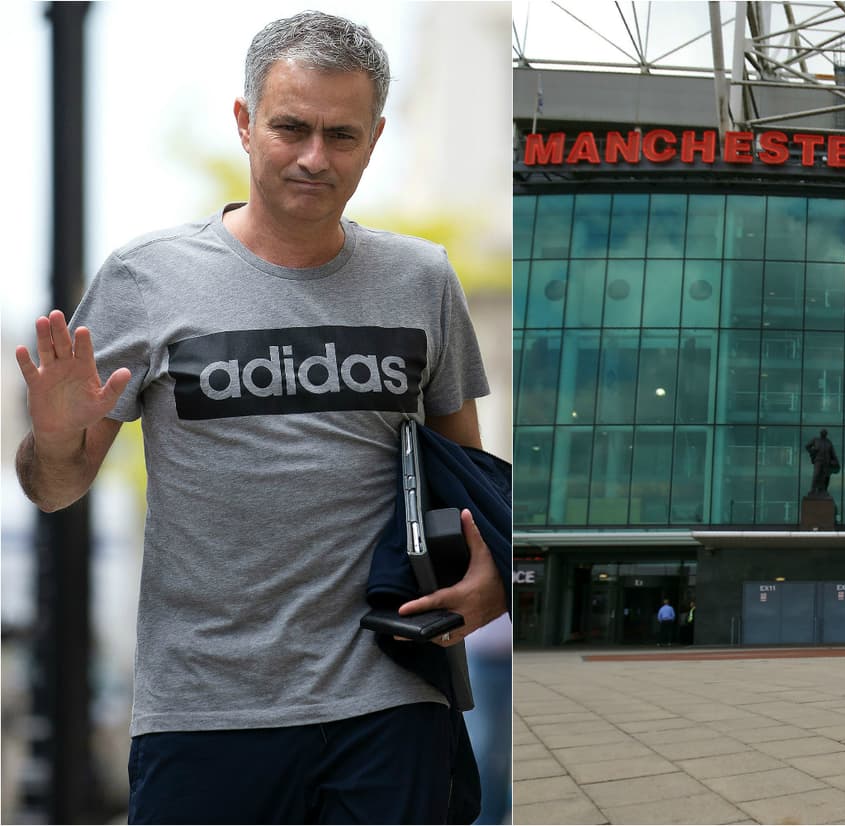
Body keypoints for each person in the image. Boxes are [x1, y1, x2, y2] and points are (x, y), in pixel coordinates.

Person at [13, 12, 507, 823]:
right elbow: (55, 489)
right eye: (291, 128)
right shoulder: (146, 278)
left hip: (390, 698)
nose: (316, 158)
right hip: (206, 711)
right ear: (244, 122)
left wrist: (491, 581)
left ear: (376, 137)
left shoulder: (423, 279)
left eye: (342, 135)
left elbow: (468, 484)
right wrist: (61, 435)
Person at [804, 428, 840, 495]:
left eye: (825, 433)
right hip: (818, 460)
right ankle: (813, 489)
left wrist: (836, 461)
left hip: (826, 462)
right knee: (816, 474)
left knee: (824, 476)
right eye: (822, 432)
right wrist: (812, 450)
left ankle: (822, 490)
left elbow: (833, 453)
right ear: (820, 433)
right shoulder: (816, 440)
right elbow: (807, 446)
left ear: (826, 434)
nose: (824, 433)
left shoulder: (829, 442)